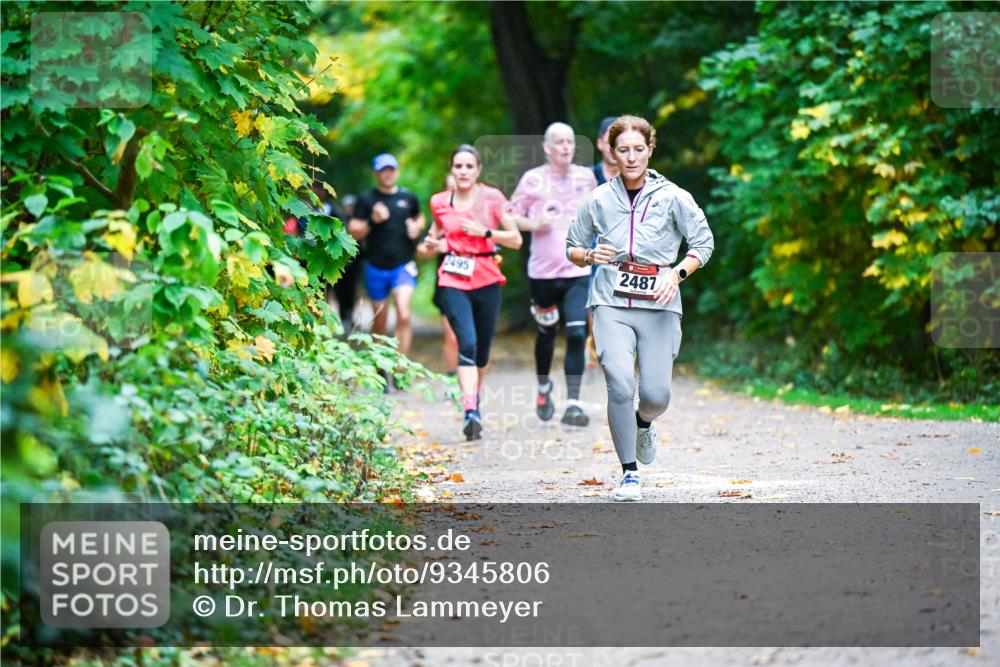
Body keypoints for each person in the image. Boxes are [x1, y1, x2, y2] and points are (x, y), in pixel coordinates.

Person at [566, 115, 715, 501]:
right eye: (623, 150)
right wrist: (588, 255)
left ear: (650, 149)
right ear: (611, 153)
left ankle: (644, 423)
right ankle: (629, 473)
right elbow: (572, 246)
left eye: (638, 149)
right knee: (619, 381)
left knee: (655, 396)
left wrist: (676, 274)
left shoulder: (674, 197)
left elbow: (703, 243)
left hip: (660, 302)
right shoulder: (598, 199)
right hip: (611, 299)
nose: (631, 158)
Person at [417, 145, 523, 440]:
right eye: (458, 166)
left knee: (482, 355)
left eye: (468, 166)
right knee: (468, 343)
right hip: (452, 279)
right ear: (452, 170)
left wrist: (484, 232)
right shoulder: (439, 201)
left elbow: (515, 240)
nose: (463, 171)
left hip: (487, 277)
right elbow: (434, 235)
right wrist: (431, 245)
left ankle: (475, 401)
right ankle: (469, 410)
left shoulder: (492, 198)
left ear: (478, 171)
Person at [510, 122, 597, 427]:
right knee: (546, 334)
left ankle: (573, 403)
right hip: (543, 274)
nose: (565, 147)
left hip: (577, 270)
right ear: (547, 147)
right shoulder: (532, 180)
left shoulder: (587, 178)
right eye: (559, 142)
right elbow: (511, 217)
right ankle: (544, 385)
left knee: (576, 332)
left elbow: (602, 210)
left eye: (570, 142)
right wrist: (535, 223)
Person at [349, 153, 424, 357]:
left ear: (397, 172)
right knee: (380, 319)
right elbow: (353, 230)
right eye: (383, 170)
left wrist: (416, 227)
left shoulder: (408, 197)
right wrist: (372, 220)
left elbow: (420, 217)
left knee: (404, 314)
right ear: (376, 174)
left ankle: (401, 367)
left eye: (391, 169)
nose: (388, 173)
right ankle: (381, 367)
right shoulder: (366, 199)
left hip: (403, 265)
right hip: (375, 265)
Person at [328, 193, 362, 333]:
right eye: (348, 206)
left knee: (352, 292)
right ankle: (343, 319)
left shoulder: (359, 220)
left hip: (355, 263)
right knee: (340, 292)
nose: (350, 208)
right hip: (339, 263)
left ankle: (350, 317)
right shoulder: (339, 219)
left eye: (352, 206)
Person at [592, 116, 620, 186]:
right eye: (609, 142)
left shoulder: (636, 178)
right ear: (599, 144)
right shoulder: (589, 178)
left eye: (619, 143)